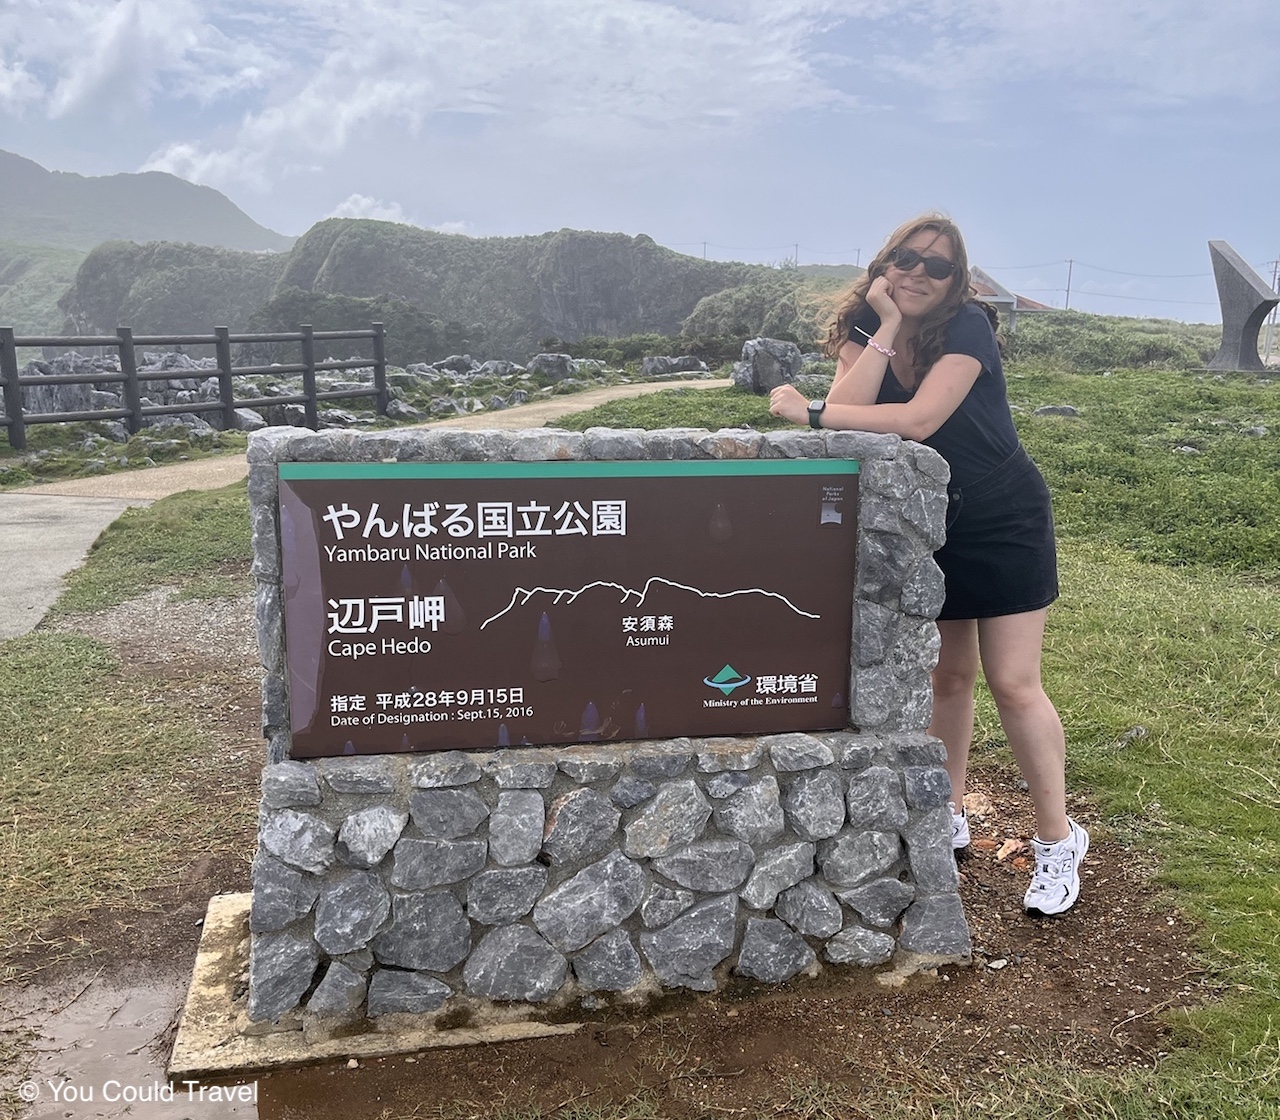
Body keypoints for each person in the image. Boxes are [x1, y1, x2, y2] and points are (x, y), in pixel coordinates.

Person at [768, 213, 1087, 917]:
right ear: (885, 263)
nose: (917, 274)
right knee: (948, 677)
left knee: (1013, 681)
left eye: (936, 267)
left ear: (957, 280)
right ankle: (947, 815)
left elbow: (917, 420)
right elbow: (853, 408)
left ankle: (1058, 840)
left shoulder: (968, 327)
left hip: (1003, 517)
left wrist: (809, 412)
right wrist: (881, 326)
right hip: (931, 519)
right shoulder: (869, 324)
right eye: (904, 259)